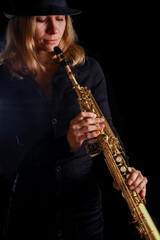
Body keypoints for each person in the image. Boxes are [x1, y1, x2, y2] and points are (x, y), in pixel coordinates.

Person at [0, 0, 148, 239]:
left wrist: (124, 174)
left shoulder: (89, 70)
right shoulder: (4, 79)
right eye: (41, 20)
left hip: (84, 217)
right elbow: (7, 162)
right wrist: (64, 144)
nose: (54, 30)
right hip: (30, 217)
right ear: (20, 25)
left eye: (60, 19)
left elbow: (108, 138)